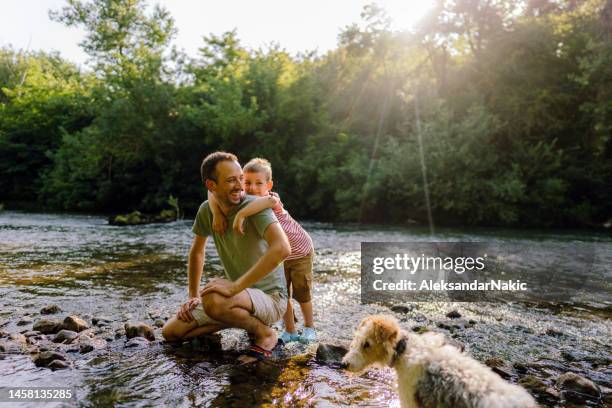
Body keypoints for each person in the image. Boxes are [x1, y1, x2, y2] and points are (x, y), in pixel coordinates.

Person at [161, 152, 291, 363]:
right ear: (211, 185)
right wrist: (193, 296)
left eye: (241, 178)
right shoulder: (207, 210)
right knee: (171, 333)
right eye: (231, 180)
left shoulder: (255, 208)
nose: (241, 185)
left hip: (272, 298)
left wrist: (234, 287)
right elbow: (197, 251)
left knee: (213, 297)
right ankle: (233, 318)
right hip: (240, 298)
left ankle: (265, 334)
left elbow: (282, 248)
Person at [209, 158, 317, 343]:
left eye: (259, 183)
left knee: (302, 293)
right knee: (284, 293)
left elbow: (265, 201)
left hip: (300, 252)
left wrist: (242, 214)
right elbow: (212, 192)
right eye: (247, 182)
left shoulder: (271, 199)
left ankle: (309, 327)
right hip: (280, 255)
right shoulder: (240, 197)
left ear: (269, 185)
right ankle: (290, 331)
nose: (252, 188)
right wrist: (217, 213)